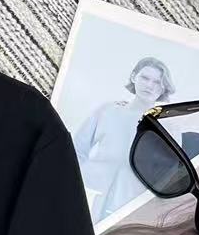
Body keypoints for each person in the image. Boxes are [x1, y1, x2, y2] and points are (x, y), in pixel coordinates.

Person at [74, 56, 176, 225]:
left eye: (157, 82)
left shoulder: (167, 126)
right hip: (88, 193)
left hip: (128, 204)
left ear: (164, 87)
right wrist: (78, 182)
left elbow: (169, 174)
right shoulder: (108, 110)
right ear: (134, 77)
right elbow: (77, 149)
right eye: (145, 78)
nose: (149, 85)